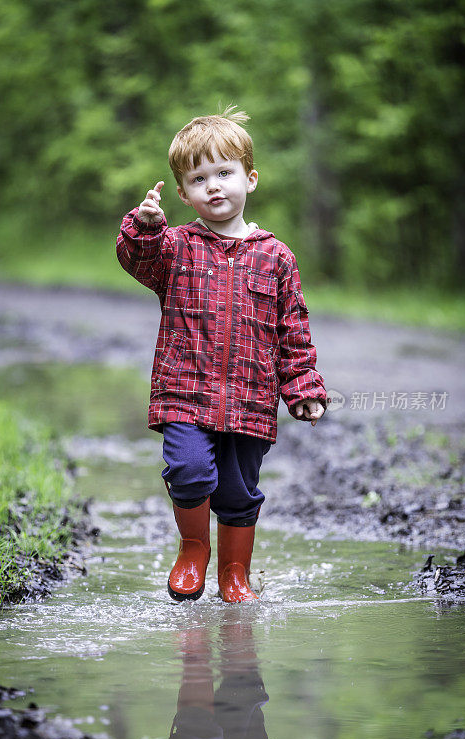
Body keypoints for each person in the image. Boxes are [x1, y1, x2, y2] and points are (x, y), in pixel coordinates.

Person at [116, 107, 327, 604]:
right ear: (185, 192)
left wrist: (302, 389)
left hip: (250, 400)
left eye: (224, 173)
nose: (213, 186)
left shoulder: (277, 256)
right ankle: (193, 551)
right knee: (189, 470)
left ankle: (236, 575)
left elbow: (293, 330)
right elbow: (139, 260)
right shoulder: (176, 247)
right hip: (185, 393)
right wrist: (144, 227)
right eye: (198, 178)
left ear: (250, 179)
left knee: (237, 493)